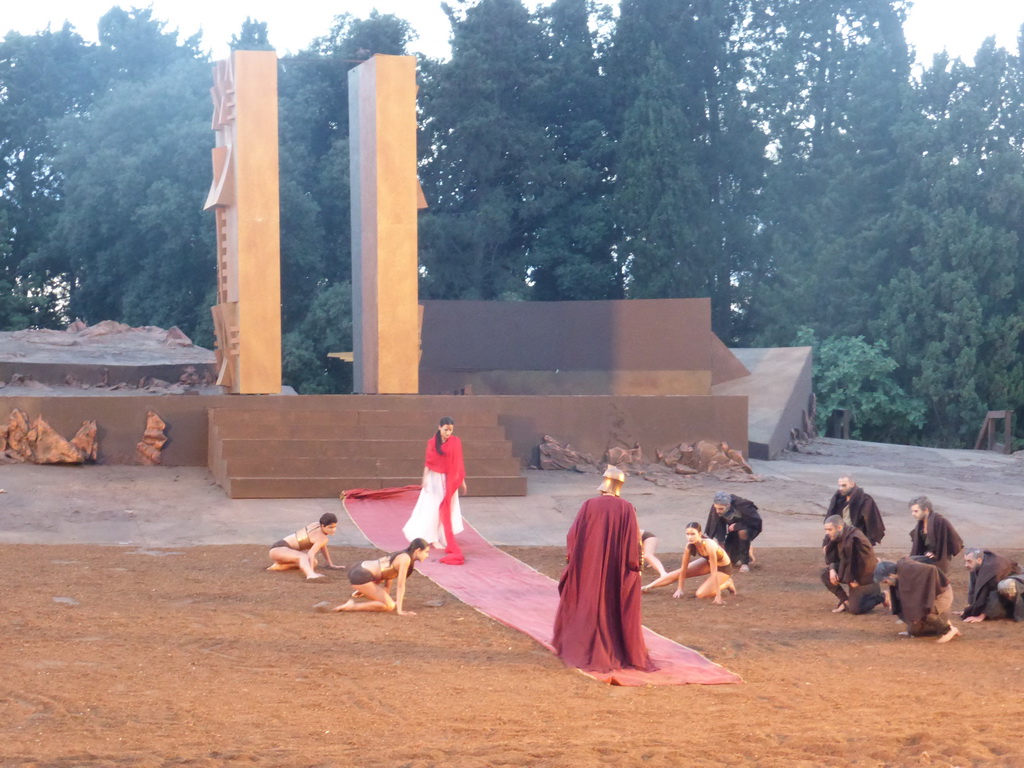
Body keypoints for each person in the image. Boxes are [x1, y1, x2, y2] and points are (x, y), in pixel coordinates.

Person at [552, 466, 655, 673]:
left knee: (588, 602)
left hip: (589, 568)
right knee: (612, 604)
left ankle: (581, 645)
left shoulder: (588, 505)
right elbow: (633, 543)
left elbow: (573, 536)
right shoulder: (626, 508)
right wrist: (635, 568)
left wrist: (574, 560)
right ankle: (615, 647)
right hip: (615, 572)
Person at [401, 417, 468, 565]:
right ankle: (433, 538)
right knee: (433, 508)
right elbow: (428, 462)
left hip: (450, 479)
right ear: (439, 427)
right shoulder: (432, 443)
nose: (448, 433)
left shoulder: (456, 442)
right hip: (435, 479)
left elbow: (458, 461)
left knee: (447, 508)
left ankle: (442, 535)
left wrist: (461, 480)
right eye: (445, 429)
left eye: (450, 430)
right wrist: (424, 479)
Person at [641, 521, 736, 604]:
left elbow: (714, 570)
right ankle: (648, 587)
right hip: (707, 562)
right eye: (687, 534)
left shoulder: (709, 545)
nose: (690, 537)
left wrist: (718, 596)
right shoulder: (689, 546)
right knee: (677, 573)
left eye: (693, 534)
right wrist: (680, 589)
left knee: (701, 594)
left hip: (723, 568)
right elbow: (683, 569)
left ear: (700, 533)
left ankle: (727, 583)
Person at [330, 539, 431, 615]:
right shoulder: (405, 559)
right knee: (389, 606)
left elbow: (388, 575)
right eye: (426, 552)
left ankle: (363, 590)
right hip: (361, 575)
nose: (427, 555)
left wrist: (385, 595)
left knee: (387, 601)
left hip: (360, 567)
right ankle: (351, 606)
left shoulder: (402, 554)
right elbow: (401, 585)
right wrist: (400, 610)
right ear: (418, 551)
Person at [874, 559, 961, 643]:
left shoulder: (910, 569)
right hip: (928, 595)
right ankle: (943, 621)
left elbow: (932, 569)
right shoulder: (901, 573)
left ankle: (948, 630)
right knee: (914, 631)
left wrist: (931, 589)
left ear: (891, 575)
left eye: (885, 581)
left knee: (923, 611)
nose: (887, 584)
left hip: (941, 593)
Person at [820, 514, 885, 614]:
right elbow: (831, 555)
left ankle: (882, 597)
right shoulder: (836, 535)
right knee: (826, 573)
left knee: (856, 610)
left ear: (839, 527)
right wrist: (832, 569)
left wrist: (851, 580)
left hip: (864, 578)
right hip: (848, 571)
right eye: (826, 529)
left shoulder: (854, 539)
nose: (827, 533)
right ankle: (845, 601)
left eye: (829, 529)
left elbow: (856, 563)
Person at [267, 513, 343, 580]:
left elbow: (321, 545)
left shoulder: (316, 524)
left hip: (284, 551)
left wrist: (330, 564)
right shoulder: (322, 538)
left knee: (313, 562)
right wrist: (312, 572)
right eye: (330, 527)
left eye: (335, 527)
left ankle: (280, 566)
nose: (333, 530)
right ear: (323, 526)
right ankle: (310, 575)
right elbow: (311, 553)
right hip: (279, 549)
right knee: (304, 557)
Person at [961, 548, 1024, 622]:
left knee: (1005, 586)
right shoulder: (977, 565)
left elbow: (994, 594)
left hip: (1020, 581)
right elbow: (974, 589)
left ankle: (1014, 608)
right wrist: (969, 611)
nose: (966, 565)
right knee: (1002, 586)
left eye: (969, 561)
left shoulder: (994, 567)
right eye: (965, 561)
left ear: (979, 560)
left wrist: (981, 616)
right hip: (1010, 580)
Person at [705, 491, 761, 572]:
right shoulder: (717, 508)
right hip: (732, 531)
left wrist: (738, 525)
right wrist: (721, 543)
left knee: (743, 532)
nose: (717, 511)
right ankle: (744, 549)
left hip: (745, 528)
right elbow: (716, 526)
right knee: (732, 560)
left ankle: (745, 563)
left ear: (728, 505)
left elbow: (756, 521)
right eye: (716, 508)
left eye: (720, 509)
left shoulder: (743, 506)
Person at [908, 496, 963, 575]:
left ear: (926, 510)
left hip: (939, 559)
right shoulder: (921, 523)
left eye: (916, 511)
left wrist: (936, 553)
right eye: (912, 511)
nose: (913, 514)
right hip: (925, 556)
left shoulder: (940, 521)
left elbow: (954, 541)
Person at [825, 475, 885, 545]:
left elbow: (871, 523)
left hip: (857, 537)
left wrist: (866, 542)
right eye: (839, 486)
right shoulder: (838, 499)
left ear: (852, 484)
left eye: (844, 485)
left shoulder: (865, 500)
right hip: (840, 535)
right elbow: (831, 520)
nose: (841, 488)